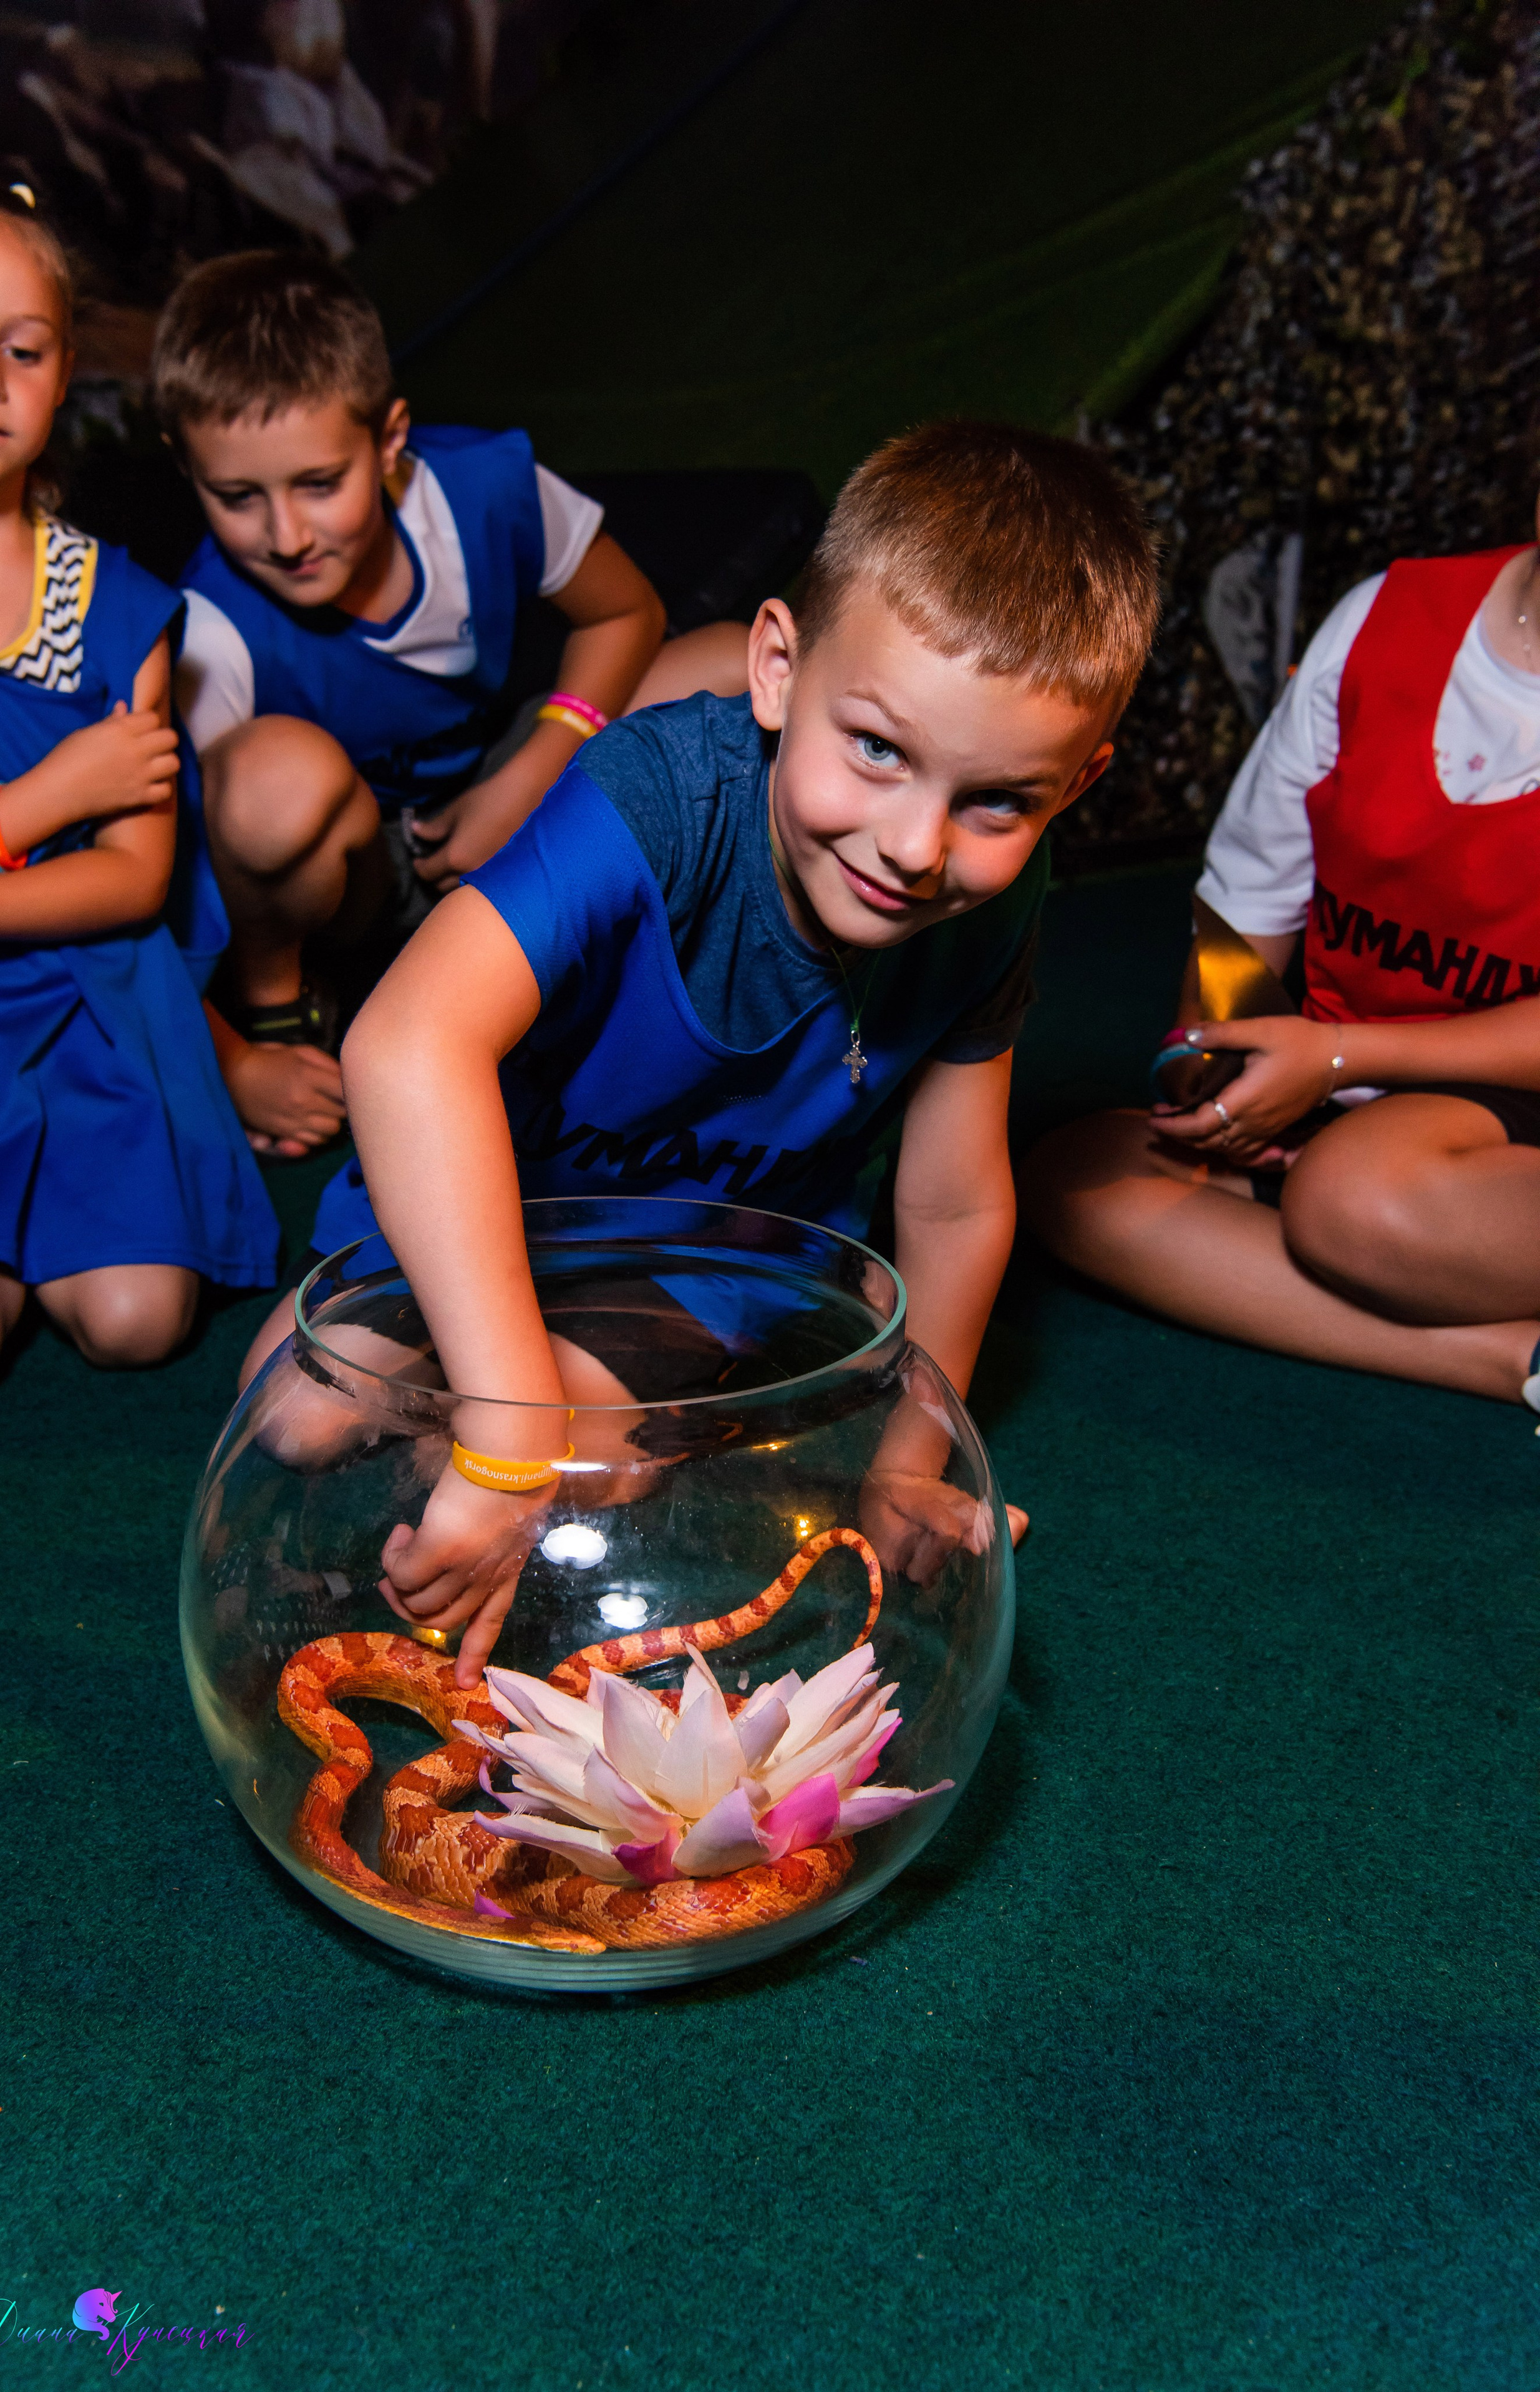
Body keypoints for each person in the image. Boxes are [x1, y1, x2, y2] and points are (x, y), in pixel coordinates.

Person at [243, 421, 1158, 1681]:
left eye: (994, 800)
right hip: (490, 1183)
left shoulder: (995, 903)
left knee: (583, 1459)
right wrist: (503, 1433)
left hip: (703, 1245)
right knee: (295, 1421)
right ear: (776, 669)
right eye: (877, 750)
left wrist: (906, 1460)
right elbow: (407, 1042)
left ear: (1074, 782)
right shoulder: (659, 791)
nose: (916, 845)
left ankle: (572, 1474)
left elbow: (949, 1200)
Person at [150, 251, 750, 1158]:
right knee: (274, 783)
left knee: (737, 659)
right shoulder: (210, 628)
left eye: (319, 483)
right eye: (238, 496)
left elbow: (627, 612)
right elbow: (162, 880)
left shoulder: (487, 487)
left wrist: (531, 774)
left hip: (513, 780)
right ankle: (287, 1003)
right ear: (185, 468)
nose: (287, 535)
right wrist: (237, 1061)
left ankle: (732, 922)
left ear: (390, 440)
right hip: (366, 883)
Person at [1024, 518, 1540, 1411]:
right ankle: (1513, 1359)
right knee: (1076, 1177)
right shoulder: (1384, 616)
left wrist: (1340, 1056)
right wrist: (1221, 1059)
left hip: (1491, 1130)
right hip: (1351, 1110)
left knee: (1355, 1194)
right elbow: (1242, 910)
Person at [0, 179, 278, 1396]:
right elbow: (62, 837)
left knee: (139, 1322)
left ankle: (56, 1210)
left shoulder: (116, 604)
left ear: (65, 368)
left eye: (19, 348)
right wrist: (37, 806)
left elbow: (134, 881)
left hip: (92, 1012)